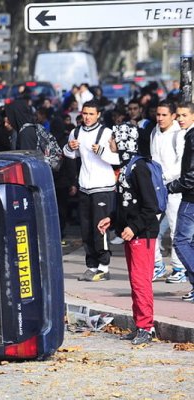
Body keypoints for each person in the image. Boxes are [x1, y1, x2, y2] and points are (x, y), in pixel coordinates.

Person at [97, 123, 159, 345]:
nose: (110, 142)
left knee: (141, 281)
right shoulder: (126, 166)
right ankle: (140, 324)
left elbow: (151, 207)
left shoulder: (138, 168)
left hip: (142, 234)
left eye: (113, 138)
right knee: (135, 281)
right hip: (132, 233)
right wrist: (112, 219)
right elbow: (126, 204)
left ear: (124, 141)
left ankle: (146, 327)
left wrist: (134, 227)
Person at [63, 100, 119, 281]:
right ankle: (91, 266)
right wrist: (68, 147)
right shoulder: (76, 132)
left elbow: (117, 158)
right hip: (85, 186)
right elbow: (71, 155)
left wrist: (102, 150)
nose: (87, 117)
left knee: (99, 227)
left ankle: (104, 266)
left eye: (91, 114)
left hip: (103, 186)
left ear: (98, 115)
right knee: (85, 228)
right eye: (85, 113)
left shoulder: (107, 133)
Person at [148, 101, 186, 282]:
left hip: (175, 188)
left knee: (175, 228)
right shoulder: (154, 131)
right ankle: (157, 265)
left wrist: (164, 179)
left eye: (164, 115)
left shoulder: (179, 134)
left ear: (173, 116)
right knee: (150, 226)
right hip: (156, 188)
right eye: (158, 114)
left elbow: (181, 165)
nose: (160, 118)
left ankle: (179, 268)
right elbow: (153, 157)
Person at [167, 103, 194, 303]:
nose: (180, 119)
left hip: (190, 197)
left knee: (181, 241)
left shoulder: (192, 136)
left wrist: (172, 186)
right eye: (179, 116)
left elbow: (191, 175)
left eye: (185, 115)